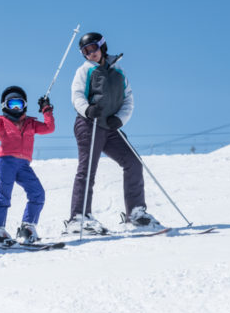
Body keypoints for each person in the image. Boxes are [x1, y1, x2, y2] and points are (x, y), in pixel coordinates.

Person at [65, 32, 161, 234]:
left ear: (102, 46)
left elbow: (128, 100)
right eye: (85, 51)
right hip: (88, 124)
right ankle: (79, 218)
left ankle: (136, 214)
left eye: (93, 48)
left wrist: (120, 119)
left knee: (133, 162)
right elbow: (77, 95)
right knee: (88, 168)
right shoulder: (85, 71)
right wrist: (88, 110)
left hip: (110, 126)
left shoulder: (119, 71)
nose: (90, 54)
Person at [0, 85, 55, 246]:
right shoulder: (1, 121)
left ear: (24, 105)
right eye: (12, 104)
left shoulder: (31, 123)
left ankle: (28, 227)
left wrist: (46, 110)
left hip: (24, 165)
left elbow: (49, 128)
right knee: (3, 195)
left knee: (37, 193)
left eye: (19, 104)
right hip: (6, 162)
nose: (16, 108)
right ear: (5, 106)